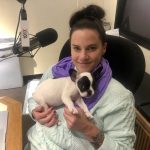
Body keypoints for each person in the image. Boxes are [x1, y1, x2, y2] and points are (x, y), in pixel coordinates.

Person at [25, 4, 136, 150]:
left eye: (91, 48)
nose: (83, 57)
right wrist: (35, 112)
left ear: (104, 48)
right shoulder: (56, 70)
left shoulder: (121, 98)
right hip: (35, 142)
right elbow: (34, 98)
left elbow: (125, 148)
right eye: (76, 48)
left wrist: (88, 129)